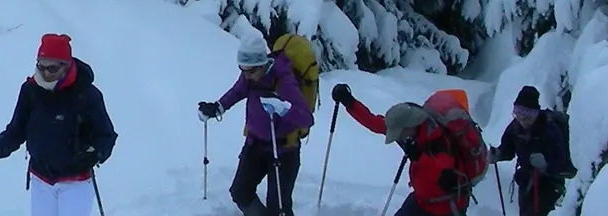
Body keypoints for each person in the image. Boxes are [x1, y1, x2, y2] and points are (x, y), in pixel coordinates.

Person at [0, 33, 118, 216]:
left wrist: (96, 154)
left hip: (75, 181)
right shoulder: (30, 90)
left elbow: (106, 135)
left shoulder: (87, 94)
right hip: (41, 178)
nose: (44, 73)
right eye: (40, 66)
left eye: (51, 69)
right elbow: (17, 129)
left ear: (66, 66)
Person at [197, 30, 315, 216]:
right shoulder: (250, 75)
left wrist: (282, 108)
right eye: (242, 70)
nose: (246, 75)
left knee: (279, 208)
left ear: (262, 64)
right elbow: (236, 92)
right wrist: (217, 108)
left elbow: (307, 118)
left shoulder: (283, 81)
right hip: (255, 145)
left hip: (283, 151)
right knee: (240, 193)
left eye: (250, 71)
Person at [330, 84, 487, 216]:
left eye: (398, 134)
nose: (397, 137)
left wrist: (420, 157)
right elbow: (375, 123)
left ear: (409, 126)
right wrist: (349, 102)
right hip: (422, 200)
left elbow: (447, 178)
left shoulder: (438, 141)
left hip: (445, 207)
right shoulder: (410, 133)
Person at [492, 86, 572, 216]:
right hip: (526, 182)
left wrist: (545, 165)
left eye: (527, 115)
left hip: (549, 186)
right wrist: (498, 154)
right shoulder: (516, 127)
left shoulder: (549, 128)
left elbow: (561, 160)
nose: (522, 119)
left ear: (535, 112)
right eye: (518, 113)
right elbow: (508, 149)